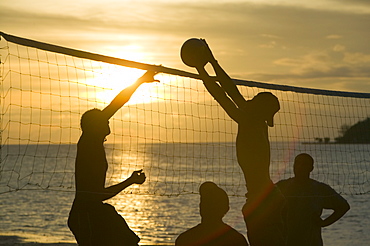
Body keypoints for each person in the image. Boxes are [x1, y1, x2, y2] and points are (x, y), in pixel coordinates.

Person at [193, 40, 285, 246]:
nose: (248, 101)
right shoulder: (256, 121)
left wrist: (201, 69)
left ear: (259, 108)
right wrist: (212, 61)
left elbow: (221, 95)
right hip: (268, 196)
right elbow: (231, 89)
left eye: (254, 100)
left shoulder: (249, 122)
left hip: (262, 200)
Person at [67, 70, 159, 246]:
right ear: (94, 126)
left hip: (94, 212)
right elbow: (118, 102)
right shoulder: (88, 142)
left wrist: (130, 180)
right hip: (85, 215)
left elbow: (98, 195)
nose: (108, 120)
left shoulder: (94, 144)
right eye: (103, 119)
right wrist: (139, 81)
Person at [276, 153, 350, 246]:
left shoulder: (319, 189)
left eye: (304, 164)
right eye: (297, 163)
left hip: (311, 241)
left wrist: (324, 223)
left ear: (311, 168)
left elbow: (343, 206)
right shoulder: (282, 186)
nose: (300, 166)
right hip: (285, 240)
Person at [175, 181, 249, 246]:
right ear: (227, 209)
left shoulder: (184, 239)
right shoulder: (237, 239)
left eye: (204, 203)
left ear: (201, 207)